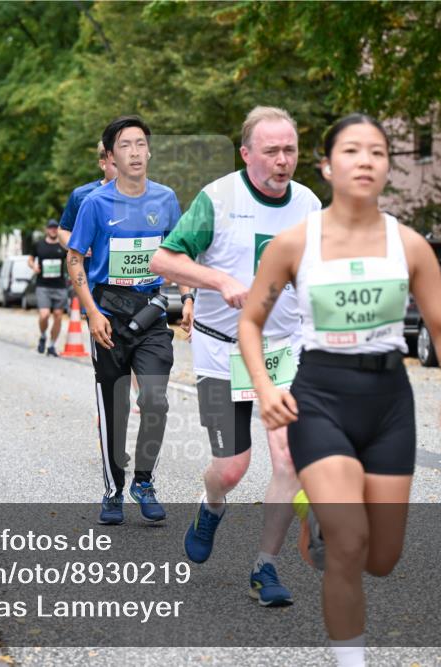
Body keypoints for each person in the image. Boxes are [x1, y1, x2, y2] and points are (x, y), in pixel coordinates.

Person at [238, 114, 441, 667]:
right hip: (320, 397)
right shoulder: (295, 244)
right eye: (351, 150)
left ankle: (317, 515)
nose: (365, 160)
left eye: (377, 152)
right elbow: (250, 322)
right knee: (348, 545)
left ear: (387, 167)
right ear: (326, 165)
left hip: (388, 402)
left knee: (382, 557)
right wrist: (266, 387)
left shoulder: (409, 245)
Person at [150, 106, 322, 607]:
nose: (282, 160)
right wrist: (218, 279)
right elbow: (164, 258)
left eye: (289, 150)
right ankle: (211, 505)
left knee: (288, 457)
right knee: (231, 467)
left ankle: (264, 566)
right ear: (247, 154)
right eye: (271, 151)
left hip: (280, 351)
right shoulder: (218, 199)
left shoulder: (309, 204)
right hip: (221, 350)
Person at [66, 115, 186, 525]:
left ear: (148, 150)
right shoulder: (95, 204)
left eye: (140, 144)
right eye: (125, 146)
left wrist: (186, 297)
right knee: (114, 406)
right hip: (108, 315)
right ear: (111, 156)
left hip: (151, 312)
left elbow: (177, 255)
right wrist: (92, 313)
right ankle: (113, 489)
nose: (134, 152)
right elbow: (75, 258)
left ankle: (145, 481)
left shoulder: (166, 199)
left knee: (155, 400)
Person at [58, 140, 118, 252]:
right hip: (90, 268)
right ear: (103, 164)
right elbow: (63, 231)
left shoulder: (145, 195)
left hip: (130, 269)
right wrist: (76, 247)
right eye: (116, 165)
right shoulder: (81, 195)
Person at [28, 219, 68, 356]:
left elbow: (72, 258)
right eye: (50, 228)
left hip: (60, 286)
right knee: (44, 315)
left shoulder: (63, 246)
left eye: (55, 228)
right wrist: (34, 266)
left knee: (58, 316)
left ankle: (51, 345)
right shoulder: (39, 245)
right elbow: (30, 259)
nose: (53, 230)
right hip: (43, 285)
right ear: (46, 229)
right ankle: (43, 335)